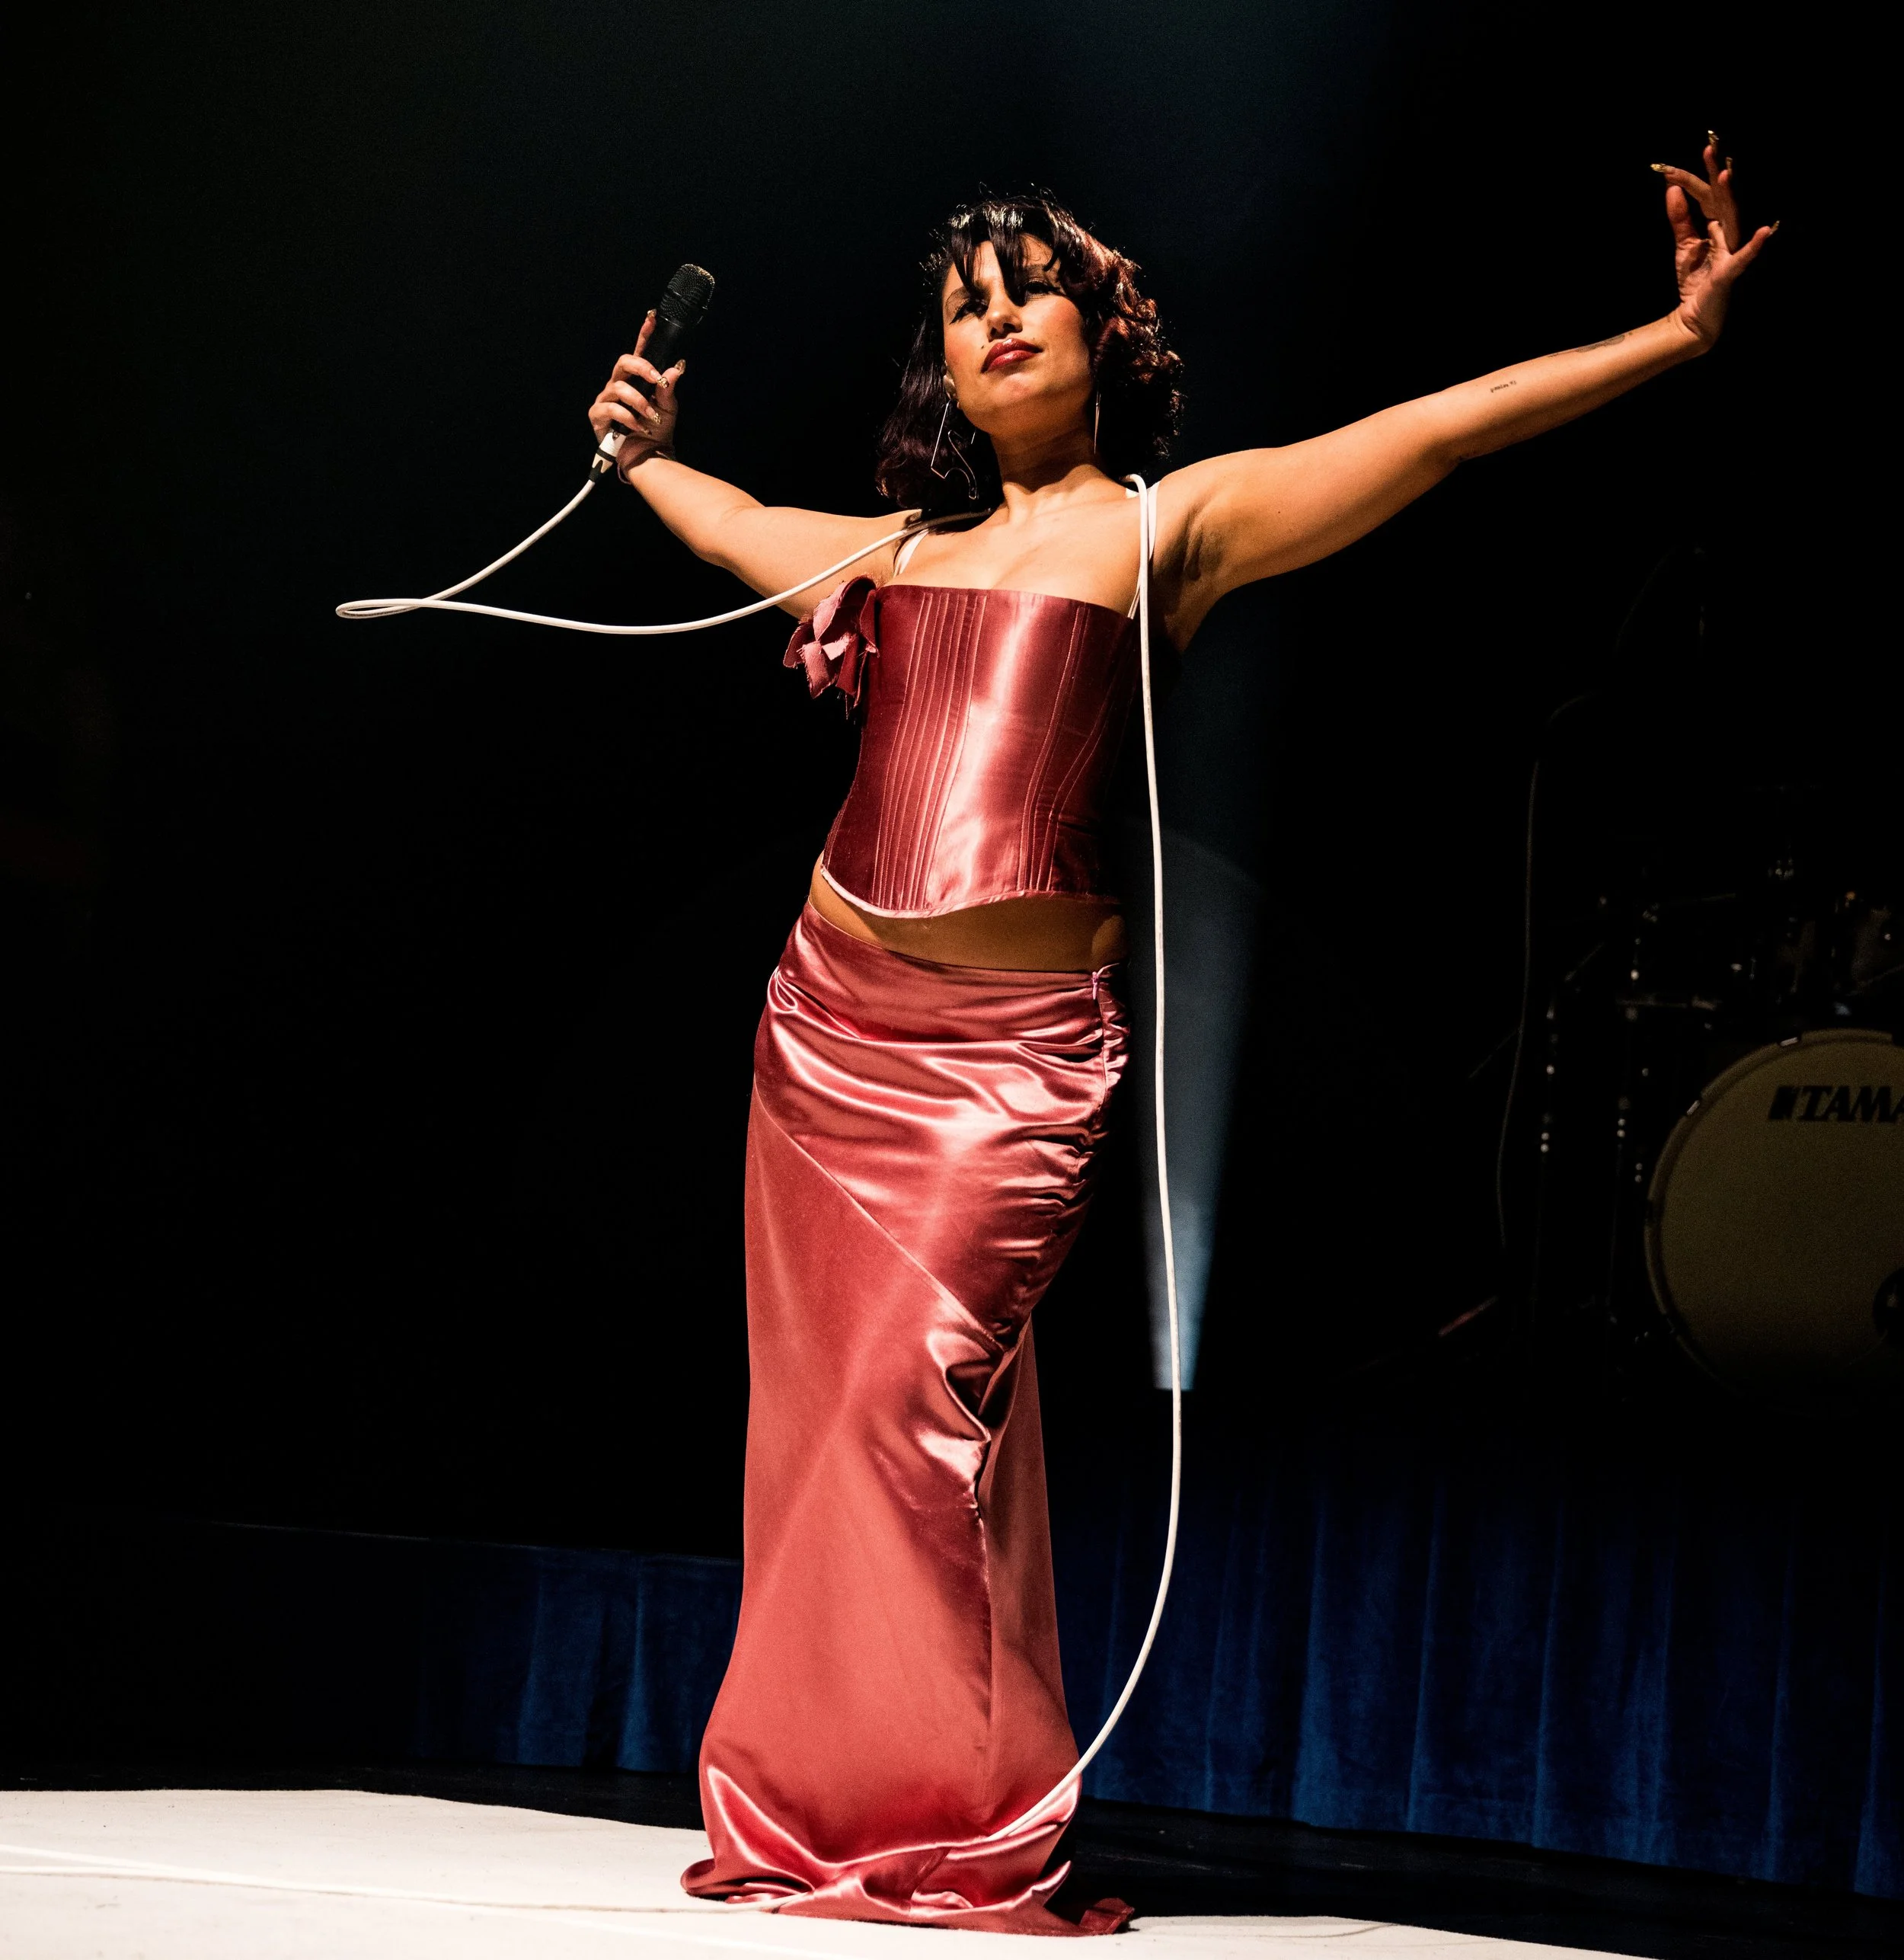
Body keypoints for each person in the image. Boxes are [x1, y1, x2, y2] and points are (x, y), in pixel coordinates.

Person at [586, 152, 1771, 1933]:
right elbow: (727, 524)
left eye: (1025, 286)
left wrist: (1670, 341)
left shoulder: (1163, 529)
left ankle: (953, 1821)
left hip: (1003, 1064)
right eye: (961, 300)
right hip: (823, 1039)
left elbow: (1432, 433)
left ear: (1098, 334)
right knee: (821, 1428)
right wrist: (638, 448)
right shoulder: (893, 551)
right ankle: (810, 1800)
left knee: (921, 1406)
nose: (991, 314)